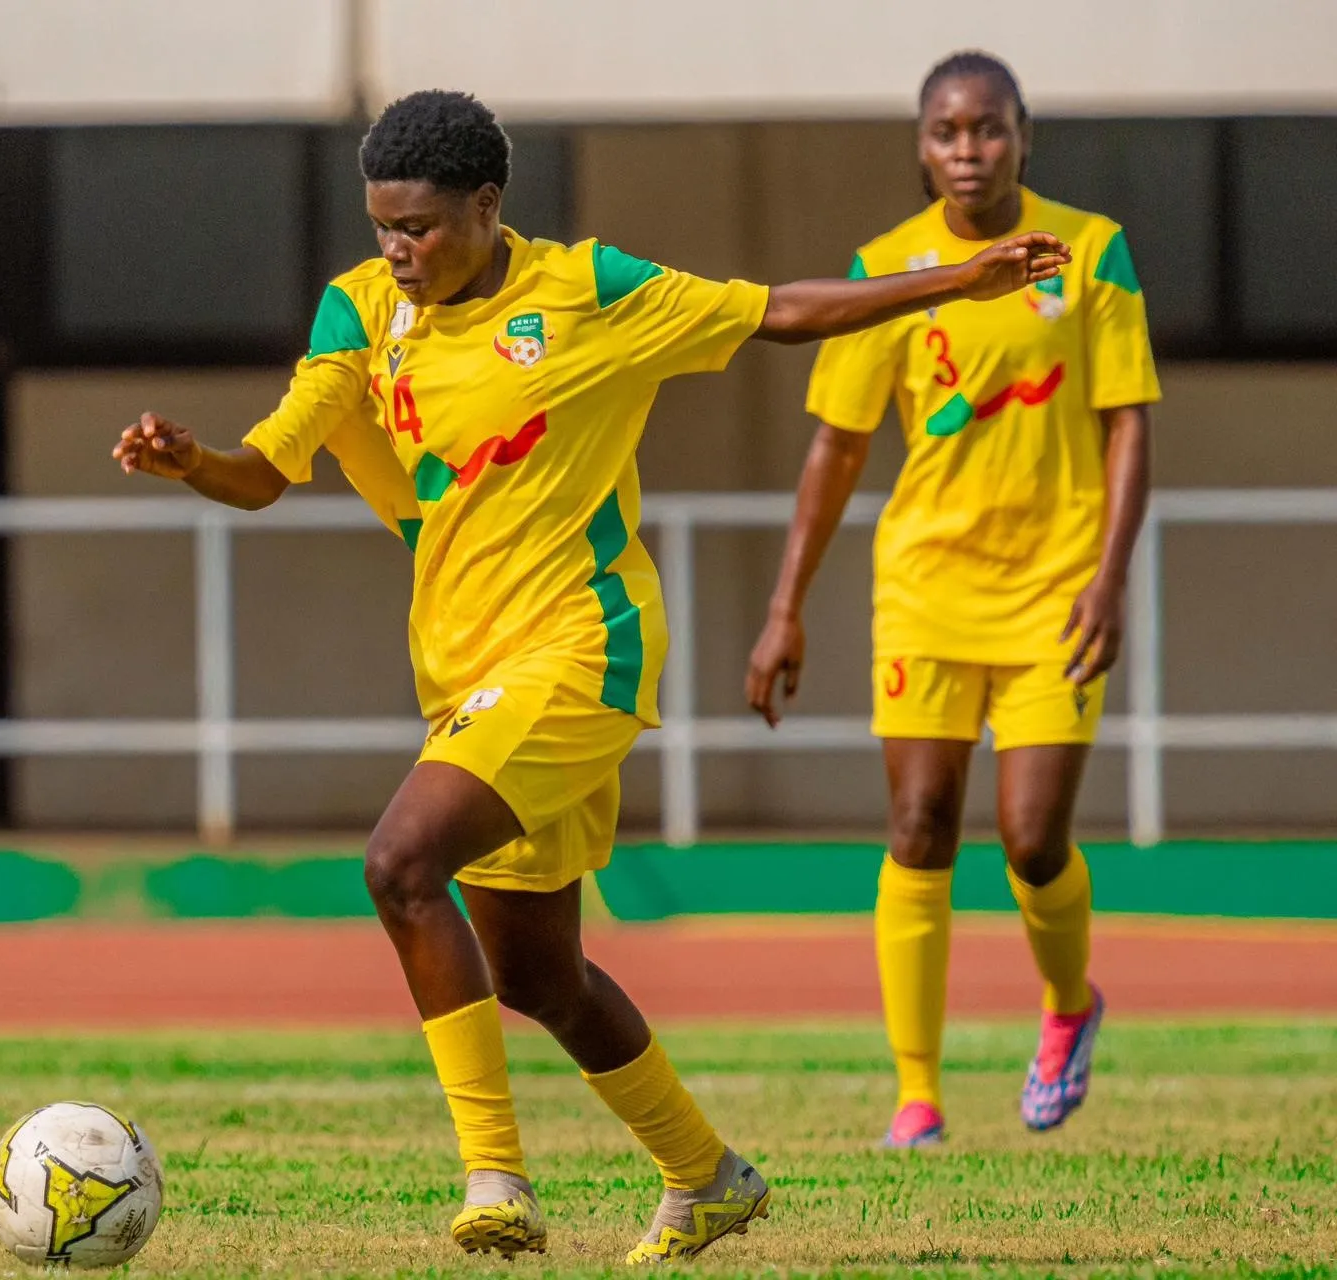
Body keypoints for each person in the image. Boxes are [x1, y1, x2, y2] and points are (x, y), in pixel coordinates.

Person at [115, 89, 1068, 1259]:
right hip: (465, 670)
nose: (396, 250)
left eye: (418, 226)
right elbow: (271, 466)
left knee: (401, 863)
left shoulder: (588, 290)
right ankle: (705, 1172)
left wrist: (957, 283)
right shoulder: (359, 312)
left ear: (486, 203)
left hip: (584, 646)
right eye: (380, 228)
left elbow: (778, 312)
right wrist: (192, 461)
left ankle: (495, 1174)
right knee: (540, 976)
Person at [746, 51, 1158, 1149]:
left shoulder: (1091, 249)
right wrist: (785, 604)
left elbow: (1126, 420)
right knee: (919, 826)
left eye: (987, 129)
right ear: (920, 147)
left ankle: (1068, 1004)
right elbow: (835, 445)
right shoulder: (886, 269)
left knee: (1030, 839)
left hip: (1056, 588)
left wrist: (1109, 575)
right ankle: (916, 1096)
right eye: (944, 132)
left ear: (1025, 134)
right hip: (925, 585)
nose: (966, 150)